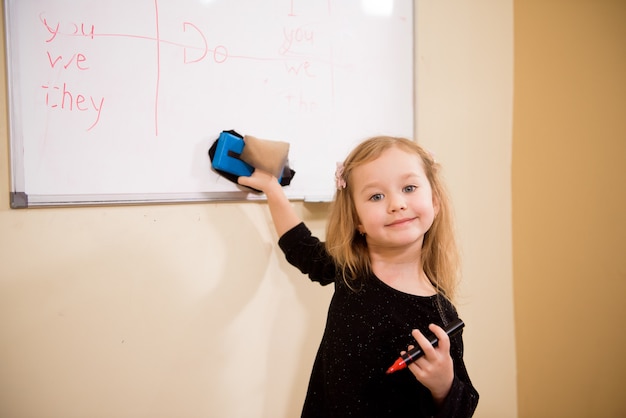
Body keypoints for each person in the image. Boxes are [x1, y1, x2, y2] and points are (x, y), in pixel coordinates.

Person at [238, 136, 479, 417]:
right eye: (377, 196)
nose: (397, 203)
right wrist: (271, 187)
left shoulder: (439, 314)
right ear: (357, 220)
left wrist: (443, 384)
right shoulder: (352, 269)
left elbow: (463, 407)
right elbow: (300, 247)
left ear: (435, 202)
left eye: (409, 188)